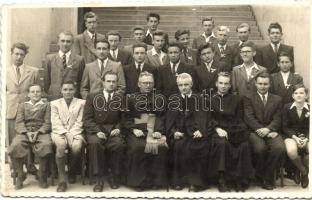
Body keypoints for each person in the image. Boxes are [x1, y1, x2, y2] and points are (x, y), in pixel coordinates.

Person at [209, 72, 254, 192]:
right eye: (221, 83)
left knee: (244, 145)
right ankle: (222, 179)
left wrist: (233, 132)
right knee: (222, 144)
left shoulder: (237, 99)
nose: (223, 86)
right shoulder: (209, 99)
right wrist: (217, 128)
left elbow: (239, 118)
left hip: (234, 129)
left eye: (226, 83)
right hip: (217, 131)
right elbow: (208, 118)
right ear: (216, 84)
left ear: (230, 86)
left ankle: (239, 179)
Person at [123, 71, 168, 191]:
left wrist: (159, 130)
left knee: (161, 146)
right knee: (138, 147)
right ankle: (139, 182)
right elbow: (126, 119)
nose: (147, 85)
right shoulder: (130, 98)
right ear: (139, 84)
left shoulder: (160, 98)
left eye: (150, 83)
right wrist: (133, 129)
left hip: (153, 130)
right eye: (145, 83)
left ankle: (156, 181)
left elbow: (161, 116)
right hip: (136, 131)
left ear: (153, 84)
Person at [83, 71, 126, 192]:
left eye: (114, 81)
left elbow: (124, 118)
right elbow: (87, 118)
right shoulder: (92, 96)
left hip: (113, 130)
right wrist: (96, 131)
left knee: (118, 144)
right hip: (96, 130)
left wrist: (118, 128)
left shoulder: (120, 98)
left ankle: (113, 176)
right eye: (108, 81)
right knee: (95, 144)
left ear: (117, 83)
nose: (111, 84)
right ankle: (99, 179)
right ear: (103, 82)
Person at [165, 73, 208, 192]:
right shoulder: (174, 99)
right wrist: (173, 132)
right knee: (178, 146)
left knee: (196, 146)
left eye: (186, 85)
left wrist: (201, 130)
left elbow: (204, 118)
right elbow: (169, 120)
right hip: (181, 133)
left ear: (191, 85)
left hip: (195, 133)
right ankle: (178, 181)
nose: (183, 88)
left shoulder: (199, 98)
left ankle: (196, 182)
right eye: (180, 85)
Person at [243, 71, 286, 190]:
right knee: (260, 149)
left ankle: (266, 177)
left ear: (269, 84)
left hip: (271, 130)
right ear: (255, 84)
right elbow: (248, 117)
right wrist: (259, 129)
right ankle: (259, 174)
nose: (263, 86)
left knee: (279, 148)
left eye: (265, 84)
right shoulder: (248, 97)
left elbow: (278, 117)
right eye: (260, 83)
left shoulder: (277, 99)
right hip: (253, 130)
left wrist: (268, 129)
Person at [8, 84, 52, 190]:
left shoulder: (46, 105)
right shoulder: (22, 105)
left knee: (46, 144)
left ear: (41, 93)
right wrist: (26, 132)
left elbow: (47, 123)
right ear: (28, 94)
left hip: (41, 133)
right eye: (33, 92)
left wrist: (38, 132)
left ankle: (41, 175)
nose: (35, 94)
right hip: (24, 133)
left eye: (38, 91)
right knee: (15, 145)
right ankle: (20, 174)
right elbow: (18, 122)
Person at [7, 42, 40, 175]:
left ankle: (30, 166)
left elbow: (37, 91)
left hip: (28, 111)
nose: (18, 57)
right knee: (12, 140)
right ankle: (14, 168)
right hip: (11, 109)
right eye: (16, 54)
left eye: (21, 54)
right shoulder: (5, 71)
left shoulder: (33, 71)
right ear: (11, 54)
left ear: (25, 55)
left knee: (26, 138)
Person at [50, 80, 86, 192]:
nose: (68, 92)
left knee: (76, 147)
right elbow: (55, 122)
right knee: (61, 145)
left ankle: (72, 171)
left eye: (71, 89)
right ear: (61, 90)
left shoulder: (81, 103)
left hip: (76, 132)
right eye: (65, 89)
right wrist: (65, 133)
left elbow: (80, 121)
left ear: (75, 90)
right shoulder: (54, 104)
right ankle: (62, 179)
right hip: (59, 132)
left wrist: (71, 134)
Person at [43, 31, 85, 100]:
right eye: (62, 41)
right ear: (58, 42)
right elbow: (46, 81)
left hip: (73, 97)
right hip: (54, 96)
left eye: (68, 41)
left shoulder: (79, 60)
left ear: (72, 43)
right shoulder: (50, 59)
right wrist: (50, 93)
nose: (65, 44)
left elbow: (81, 81)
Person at [282, 84, 309, 188]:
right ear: (293, 95)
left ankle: (301, 170)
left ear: (306, 95)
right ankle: (303, 171)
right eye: (296, 93)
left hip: (307, 136)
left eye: (301, 93)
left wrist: (306, 138)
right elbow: (284, 126)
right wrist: (296, 138)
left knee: (309, 152)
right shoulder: (287, 107)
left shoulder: (310, 107)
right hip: (291, 135)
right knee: (291, 151)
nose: (299, 95)